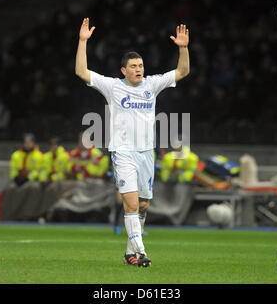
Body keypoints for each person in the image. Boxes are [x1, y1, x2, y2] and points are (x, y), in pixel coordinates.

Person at [75, 18, 190, 267]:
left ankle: (130, 254)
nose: (139, 69)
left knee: (144, 205)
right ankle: (141, 252)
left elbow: (182, 72)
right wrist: (83, 42)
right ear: (124, 71)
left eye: (141, 65)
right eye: (134, 66)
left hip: (147, 152)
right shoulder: (113, 87)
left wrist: (183, 48)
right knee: (130, 202)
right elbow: (82, 72)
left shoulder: (152, 84)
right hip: (123, 151)